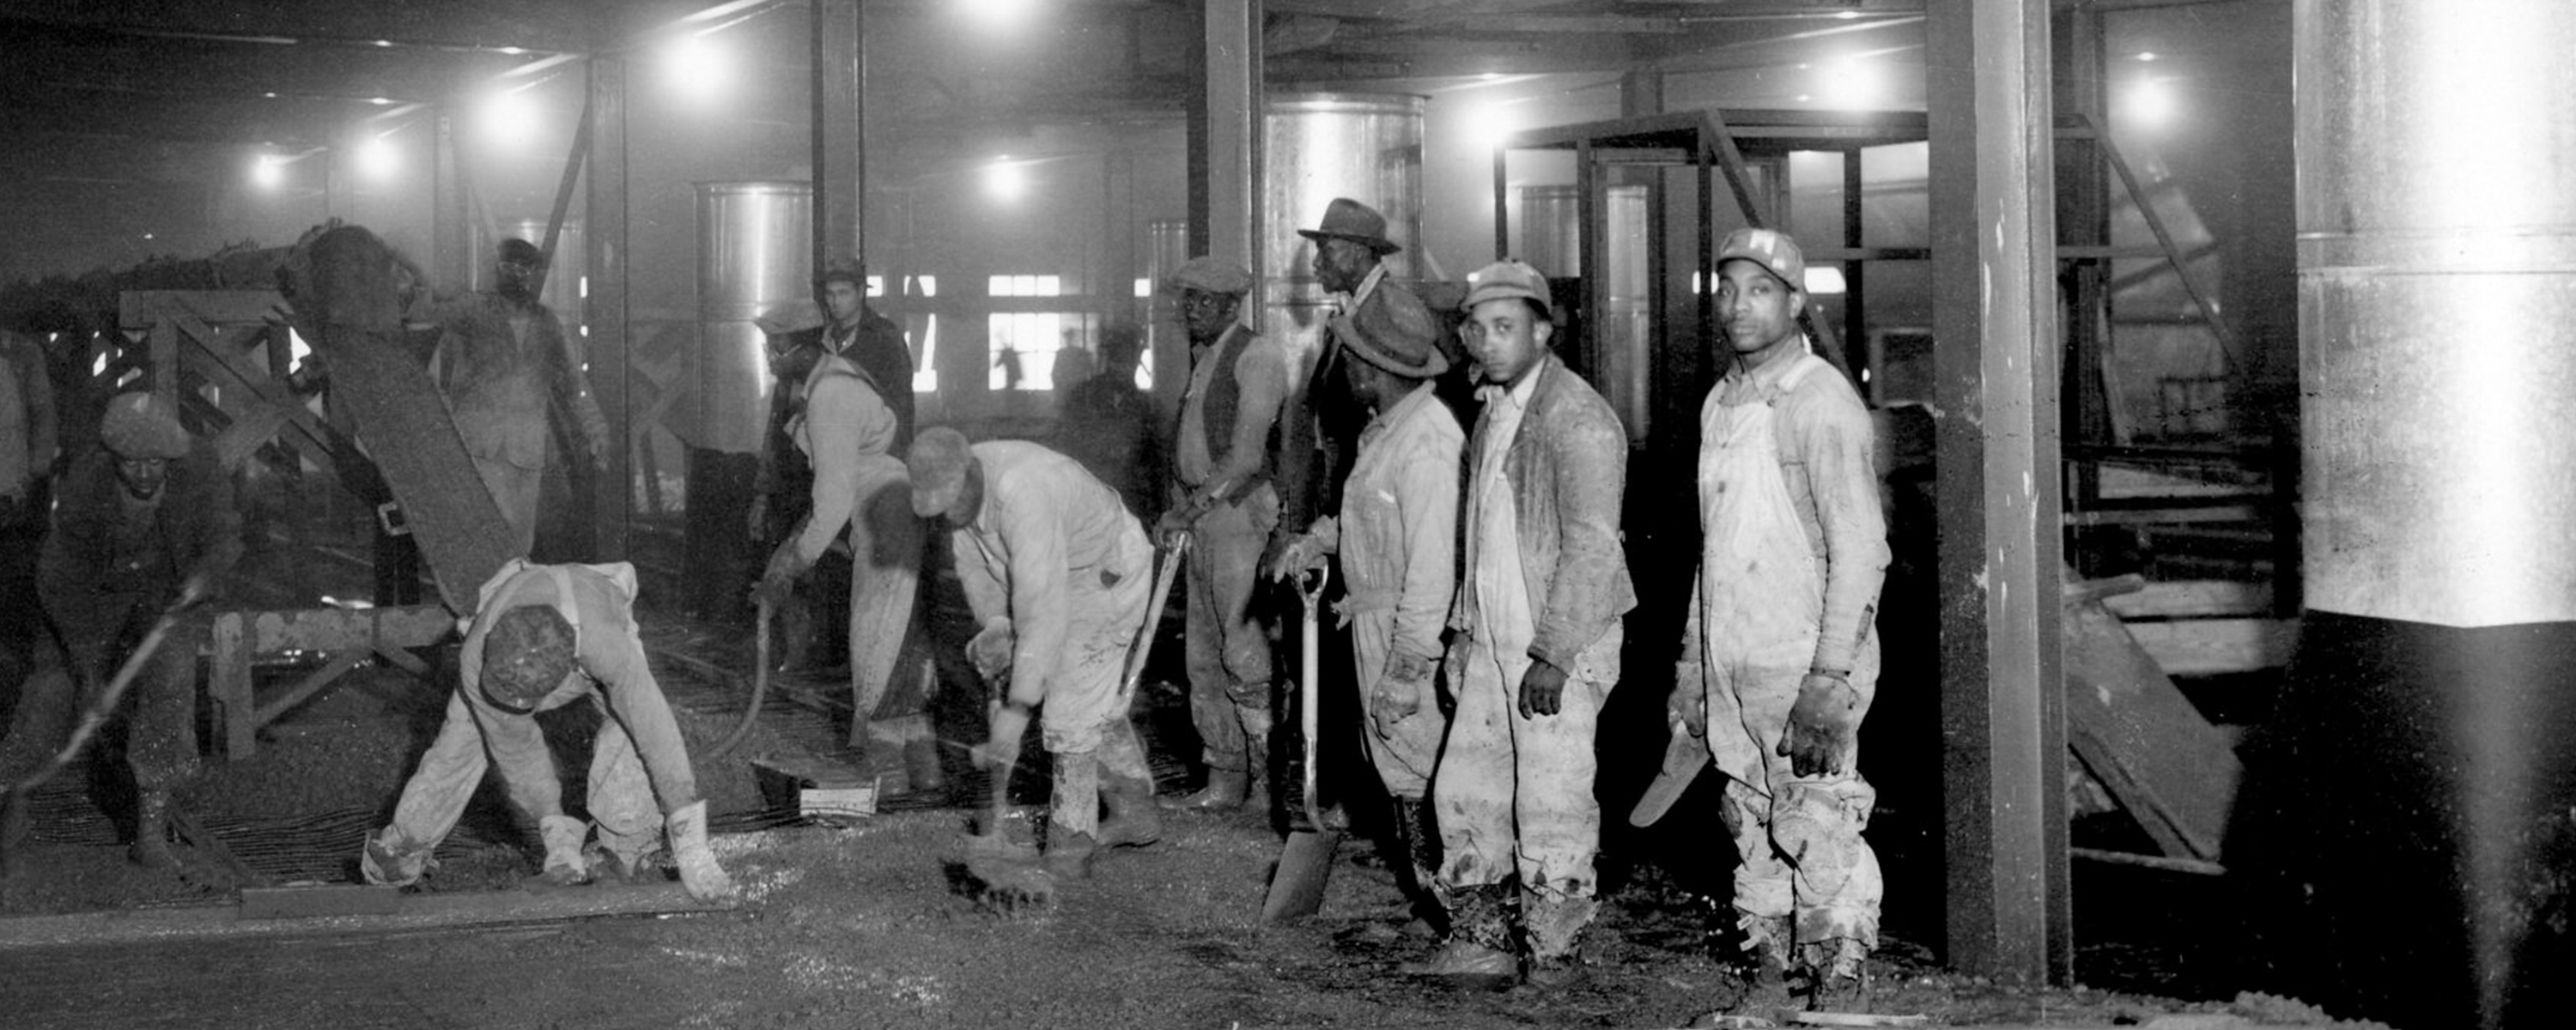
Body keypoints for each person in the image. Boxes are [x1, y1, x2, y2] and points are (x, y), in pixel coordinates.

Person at [1651, 228, 1890, 1015]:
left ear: (1795, 303)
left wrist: (1829, 680)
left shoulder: (1819, 404)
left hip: (1802, 661)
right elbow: (1712, 552)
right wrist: (1692, 670)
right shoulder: (1723, 402)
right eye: (1727, 289)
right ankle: (1768, 993)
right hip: (1734, 657)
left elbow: (1861, 553)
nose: (1738, 305)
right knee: (1750, 821)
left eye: (1760, 290)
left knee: (1818, 827)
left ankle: (1841, 999)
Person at [1407, 259, 1634, 990]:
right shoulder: (1492, 412)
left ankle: (1555, 955)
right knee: (1466, 790)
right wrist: (1465, 633)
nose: (1488, 342)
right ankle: (1481, 942)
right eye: (1478, 328)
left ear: (1543, 329)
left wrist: (1556, 653)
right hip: (1493, 638)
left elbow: (1595, 549)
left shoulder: (1579, 418)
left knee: (1552, 799)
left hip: (1556, 642)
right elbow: (1482, 540)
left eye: (1507, 327)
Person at [361, 560, 736, 905]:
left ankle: (624, 854)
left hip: (592, 621)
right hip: (520, 646)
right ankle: (397, 855)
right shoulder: (478, 658)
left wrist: (691, 844)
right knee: (458, 748)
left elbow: (658, 737)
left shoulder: (608, 649)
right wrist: (554, 831)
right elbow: (519, 751)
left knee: (628, 739)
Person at [1270, 288, 1461, 928]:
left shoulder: (1428, 444)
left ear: (1372, 369)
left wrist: (1409, 667)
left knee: (1422, 770)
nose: (1344, 371)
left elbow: (1433, 569)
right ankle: (1439, 902)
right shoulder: (1388, 432)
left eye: (1349, 359)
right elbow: (1364, 517)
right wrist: (1317, 540)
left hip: (1408, 627)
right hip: (1374, 620)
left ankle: (1465, 919)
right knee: (1396, 764)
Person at [0, 392, 240, 872]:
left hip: (170, 598)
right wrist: (89, 671)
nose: (145, 474)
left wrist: (204, 575)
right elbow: (61, 580)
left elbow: (224, 537)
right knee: (52, 693)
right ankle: (12, 807)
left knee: (169, 687)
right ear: (113, 459)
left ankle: (150, 833)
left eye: (155, 463)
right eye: (132, 464)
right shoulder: (86, 484)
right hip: (88, 600)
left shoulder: (200, 467)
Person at [907, 428, 1161, 879]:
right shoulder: (963, 495)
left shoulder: (1023, 491)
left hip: (1101, 571)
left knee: (1068, 714)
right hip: (1050, 571)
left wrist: (1018, 710)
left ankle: (1069, 855)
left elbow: (1043, 611)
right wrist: (998, 625)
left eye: (950, 503)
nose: (946, 516)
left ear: (969, 476)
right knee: (1087, 699)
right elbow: (977, 568)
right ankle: (1135, 810)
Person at [752, 264, 935, 795]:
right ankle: (920, 768)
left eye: (777, 348)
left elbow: (829, 503)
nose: (770, 359)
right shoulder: (826, 380)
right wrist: (789, 553)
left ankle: (886, 770)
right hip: (886, 510)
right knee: (900, 639)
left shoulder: (830, 395)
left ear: (804, 348)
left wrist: (790, 565)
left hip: (885, 515)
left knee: (876, 637)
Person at [1156, 257, 1291, 814]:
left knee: (1245, 652)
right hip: (1201, 515)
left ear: (1233, 305)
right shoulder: (1204, 357)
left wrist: (1187, 511)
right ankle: (1224, 778)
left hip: (1236, 513)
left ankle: (1267, 784)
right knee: (1204, 656)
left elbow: (1245, 456)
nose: (1193, 310)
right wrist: (1180, 511)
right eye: (1187, 299)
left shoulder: (1257, 355)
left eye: (1205, 301)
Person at [427, 238, 609, 557]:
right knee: (490, 531)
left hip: (526, 449)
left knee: (520, 537)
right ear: (498, 270)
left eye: (523, 269)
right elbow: (431, 324)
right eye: (509, 267)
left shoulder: (547, 325)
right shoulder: (473, 312)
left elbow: (573, 383)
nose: (516, 275)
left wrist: (596, 431)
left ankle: (508, 598)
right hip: (481, 445)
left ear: (534, 274)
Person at [1, 329, 58, 713]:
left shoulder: (21, 353)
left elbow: (42, 416)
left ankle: (9, 702)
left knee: (13, 606)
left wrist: (30, 476)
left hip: (14, 503)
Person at [1054, 323, 1162, 523]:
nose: (1125, 369)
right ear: (1109, 360)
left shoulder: (1145, 405)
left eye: (1131, 362)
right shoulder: (1082, 396)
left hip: (1131, 503)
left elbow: (1154, 463)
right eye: (1119, 361)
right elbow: (1068, 449)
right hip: (1090, 496)